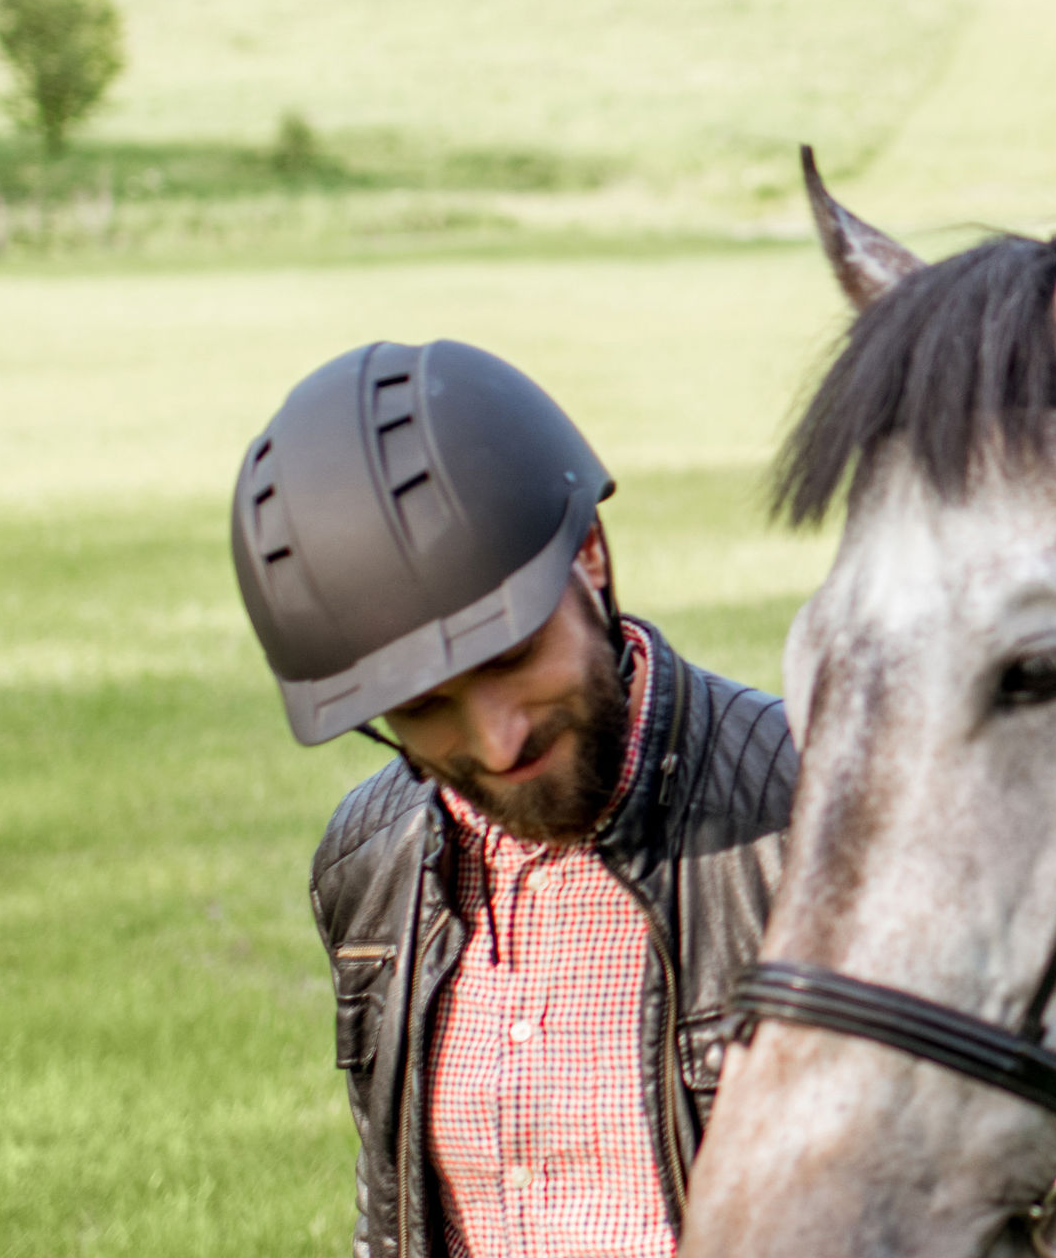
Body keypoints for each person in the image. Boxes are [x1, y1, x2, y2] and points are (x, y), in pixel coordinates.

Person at [232, 339, 798, 1258]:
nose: (497, 741)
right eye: (424, 709)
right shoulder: (367, 864)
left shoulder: (816, 822)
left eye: (509, 659)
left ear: (590, 554)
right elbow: (397, 1217)